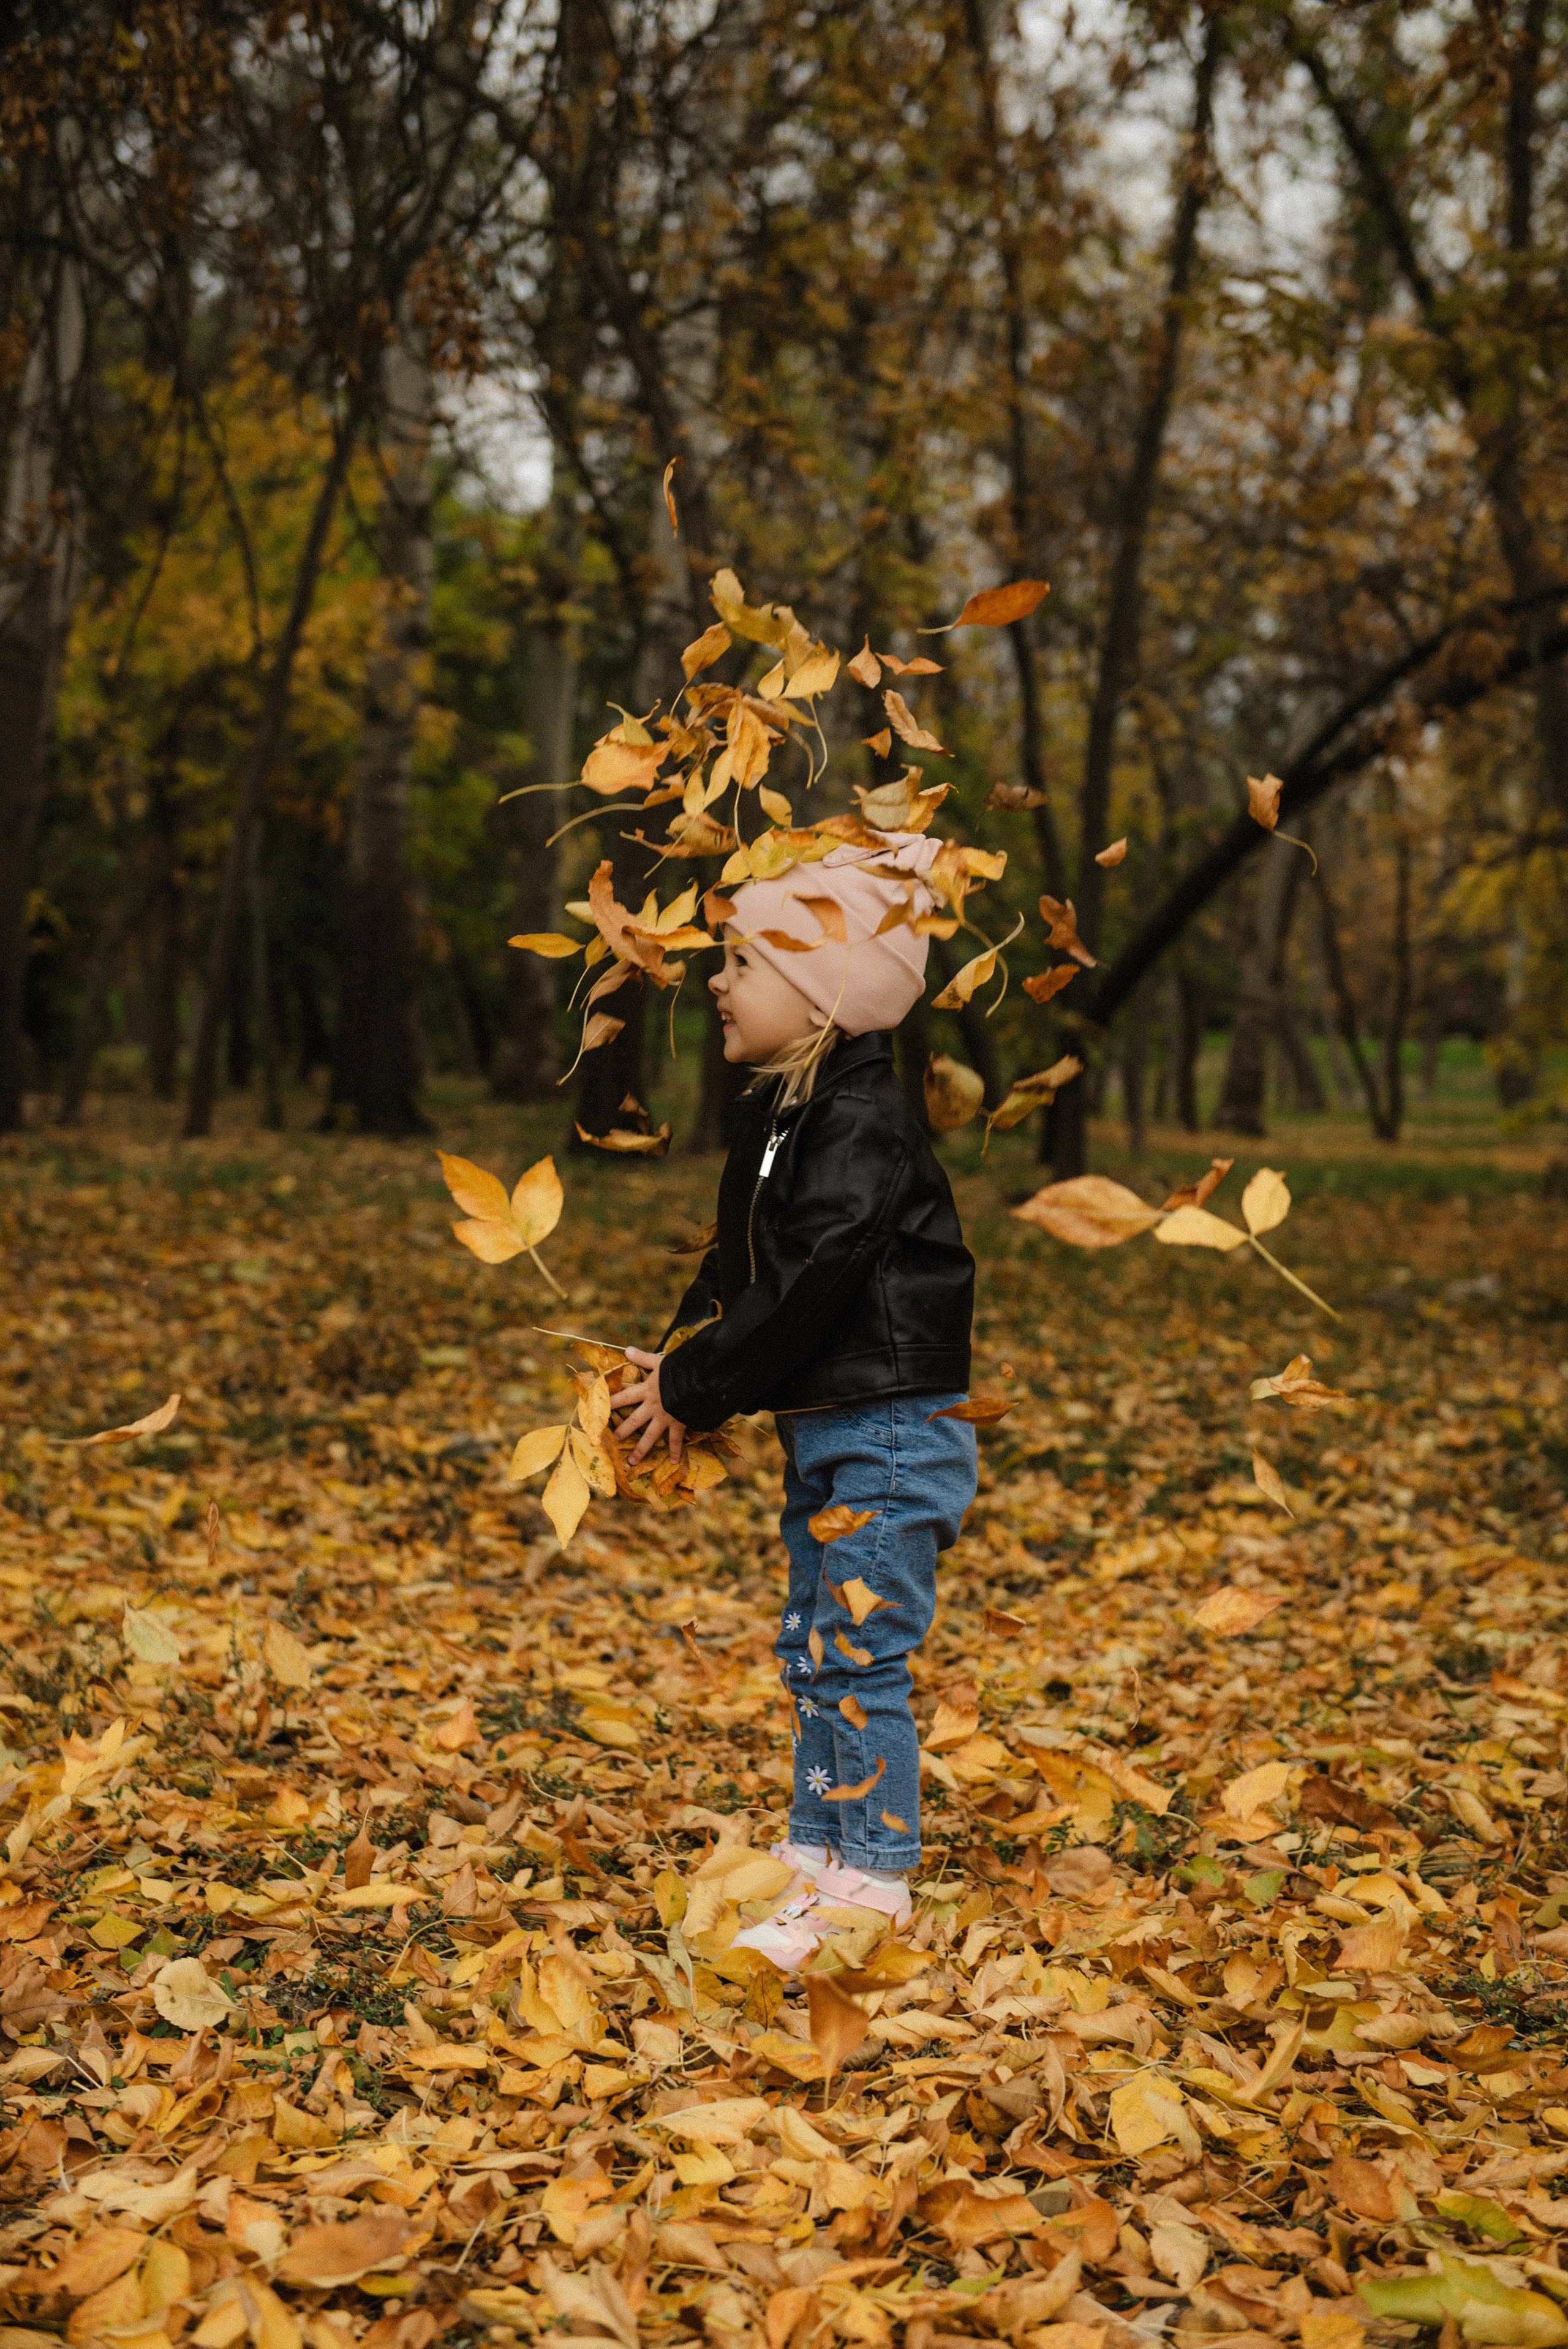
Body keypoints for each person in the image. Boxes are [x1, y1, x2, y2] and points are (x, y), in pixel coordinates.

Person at [612, 832, 977, 1970]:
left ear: (824, 995)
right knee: (814, 1648)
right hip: (833, 1434)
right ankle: (821, 1847)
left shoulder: (859, 1122)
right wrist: (677, 1369)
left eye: (743, 962)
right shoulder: (780, 1113)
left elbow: (817, 1275)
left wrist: (702, 1380)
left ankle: (871, 1879)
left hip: (890, 1435)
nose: (716, 981)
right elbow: (743, 1266)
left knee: (857, 1650)